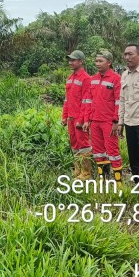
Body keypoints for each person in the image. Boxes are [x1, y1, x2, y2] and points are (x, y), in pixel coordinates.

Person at [83, 50, 123, 182]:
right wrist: (87, 120)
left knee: (113, 151)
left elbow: (119, 101)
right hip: (95, 121)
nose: (97, 64)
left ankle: (118, 182)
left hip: (108, 121)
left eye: (101, 61)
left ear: (109, 62)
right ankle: (103, 178)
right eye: (96, 61)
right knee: (98, 151)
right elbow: (89, 101)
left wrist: (116, 121)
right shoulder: (93, 79)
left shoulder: (116, 79)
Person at [119, 44, 139, 198]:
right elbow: (122, 99)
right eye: (125, 54)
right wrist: (120, 121)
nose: (127, 57)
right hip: (129, 122)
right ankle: (138, 186)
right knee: (133, 158)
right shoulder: (124, 75)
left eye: (130, 54)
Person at [62, 50, 93, 180]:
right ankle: (77, 169)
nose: (71, 62)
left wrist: (81, 120)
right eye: (70, 60)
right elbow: (67, 100)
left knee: (84, 145)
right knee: (74, 144)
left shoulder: (86, 78)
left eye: (73, 60)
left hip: (79, 118)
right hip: (70, 118)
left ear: (81, 61)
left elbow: (86, 102)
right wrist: (64, 116)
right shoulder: (70, 79)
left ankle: (86, 172)